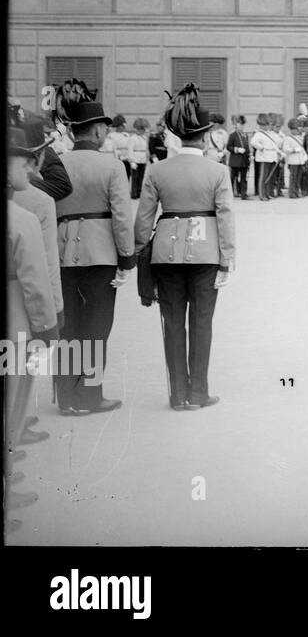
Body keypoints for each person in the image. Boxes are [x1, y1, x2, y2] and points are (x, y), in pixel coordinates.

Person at [134, 84, 235, 411]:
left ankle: (177, 394)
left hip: (166, 254)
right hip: (207, 255)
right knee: (202, 323)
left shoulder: (157, 170)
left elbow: (144, 219)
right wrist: (227, 259)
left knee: (172, 323)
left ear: (176, 136)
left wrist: (139, 251)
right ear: (205, 138)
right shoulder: (218, 170)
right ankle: (199, 392)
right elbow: (225, 216)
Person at [53, 92, 135, 416]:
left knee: (68, 326)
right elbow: (121, 216)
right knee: (97, 328)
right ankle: (90, 395)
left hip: (62, 252)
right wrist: (127, 259)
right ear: (99, 131)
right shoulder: (112, 165)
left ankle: (67, 398)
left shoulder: (55, 163)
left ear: (74, 132)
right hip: (101, 254)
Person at [6, 191, 59, 520]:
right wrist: (47, 326)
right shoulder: (22, 216)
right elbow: (36, 278)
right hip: (15, 315)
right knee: (13, 397)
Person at [250, 114, 278, 202]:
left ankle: (266, 193)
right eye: (265, 125)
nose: (268, 126)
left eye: (268, 124)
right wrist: (261, 147)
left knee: (268, 177)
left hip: (271, 156)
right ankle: (262, 194)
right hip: (264, 157)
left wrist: (279, 153)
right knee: (263, 176)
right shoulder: (259, 134)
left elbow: (275, 145)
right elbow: (253, 142)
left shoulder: (270, 133)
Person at [101, 115, 132, 182]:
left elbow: (130, 148)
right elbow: (113, 149)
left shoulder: (126, 135)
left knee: (127, 177)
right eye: (122, 126)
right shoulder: (111, 135)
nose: (123, 127)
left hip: (127, 160)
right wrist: (119, 157)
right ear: (118, 126)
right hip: (118, 160)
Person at [226, 115, 250, 199]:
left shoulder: (245, 135)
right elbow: (228, 147)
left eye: (243, 125)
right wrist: (237, 149)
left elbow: (247, 147)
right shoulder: (233, 135)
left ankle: (243, 194)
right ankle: (229, 194)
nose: (241, 126)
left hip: (244, 160)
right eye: (240, 124)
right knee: (232, 178)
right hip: (235, 160)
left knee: (244, 178)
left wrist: (250, 156)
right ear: (236, 125)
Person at [282, 119, 307, 198]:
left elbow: (302, 148)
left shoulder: (300, 137)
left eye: (297, 129)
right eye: (295, 129)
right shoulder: (288, 138)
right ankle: (292, 193)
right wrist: (294, 150)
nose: (297, 130)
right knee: (293, 177)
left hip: (300, 160)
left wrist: (305, 155)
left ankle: (296, 192)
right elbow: (285, 149)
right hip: (293, 161)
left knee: (298, 177)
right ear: (291, 129)